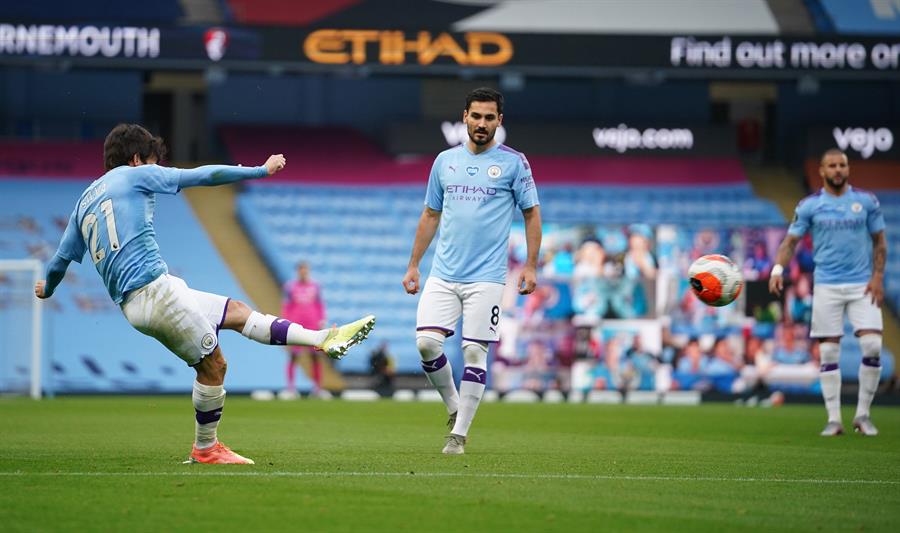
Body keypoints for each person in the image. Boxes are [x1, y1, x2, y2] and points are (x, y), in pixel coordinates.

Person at [34, 124, 375, 464]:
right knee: (214, 366)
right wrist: (259, 170)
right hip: (154, 292)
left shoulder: (85, 202)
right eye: (153, 162)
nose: (158, 170)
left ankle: (323, 337)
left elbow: (59, 261)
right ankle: (206, 448)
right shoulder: (133, 176)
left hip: (146, 295)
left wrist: (46, 288)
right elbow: (202, 176)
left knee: (238, 312)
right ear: (137, 160)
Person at [402, 87, 542, 455]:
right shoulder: (444, 161)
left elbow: (531, 213)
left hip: (487, 278)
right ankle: (453, 404)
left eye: (489, 117)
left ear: (500, 121)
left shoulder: (514, 162)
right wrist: (414, 264)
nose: (482, 124)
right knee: (426, 343)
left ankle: (458, 435)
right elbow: (430, 213)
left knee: (475, 353)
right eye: (476, 116)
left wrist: (530, 265)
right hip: (443, 274)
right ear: (464, 117)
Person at [769, 148, 886, 436]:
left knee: (872, 346)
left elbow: (879, 241)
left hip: (862, 284)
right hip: (827, 285)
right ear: (821, 171)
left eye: (842, 165)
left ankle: (863, 416)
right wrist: (777, 270)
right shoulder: (809, 206)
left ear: (848, 169)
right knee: (829, 351)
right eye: (832, 165)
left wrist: (878, 276)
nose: (837, 170)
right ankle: (834, 420)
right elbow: (790, 242)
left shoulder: (865, 201)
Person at [281, 261, 327, 398]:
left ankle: (317, 389)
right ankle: (290, 389)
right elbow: (287, 305)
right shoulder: (290, 287)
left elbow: (319, 304)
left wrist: (321, 320)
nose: (303, 272)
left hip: (312, 325)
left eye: (305, 269)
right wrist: (286, 321)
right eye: (301, 270)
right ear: (297, 271)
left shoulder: (316, 286)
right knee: (294, 356)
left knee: (315, 357)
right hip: (296, 326)